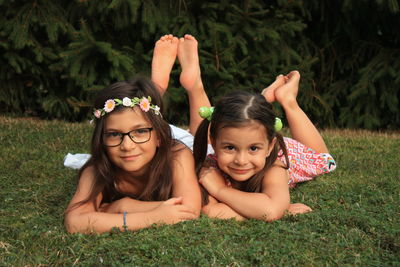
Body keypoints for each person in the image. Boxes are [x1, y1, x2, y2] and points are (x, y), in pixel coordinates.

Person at [64, 34, 206, 233]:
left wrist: (121, 207)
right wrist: (153, 216)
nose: (127, 146)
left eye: (138, 132)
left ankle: (193, 84)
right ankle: (153, 94)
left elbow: (190, 210)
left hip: (165, 137)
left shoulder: (177, 155)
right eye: (113, 134)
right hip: (146, 128)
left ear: (158, 136)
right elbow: (74, 222)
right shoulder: (97, 169)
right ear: (102, 139)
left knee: (204, 144)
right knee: (138, 118)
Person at [193, 71, 336, 221]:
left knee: (325, 161)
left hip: (289, 153)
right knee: (249, 116)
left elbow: (270, 211)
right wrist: (267, 210)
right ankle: (262, 101)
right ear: (214, 144)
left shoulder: (275, 167)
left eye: (253, 148)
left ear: (269, 147)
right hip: (260, 138)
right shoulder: (209, 168)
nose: (241, 160)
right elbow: (210, 211)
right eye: (230, 148)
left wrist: (219, 190)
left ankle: (288, 101)